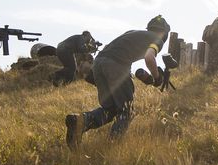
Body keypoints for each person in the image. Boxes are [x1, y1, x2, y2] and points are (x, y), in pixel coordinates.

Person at [65, 15, 170, 148]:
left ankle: (79, 122)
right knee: (127, 111)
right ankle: (112, 146)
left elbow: (111, 48)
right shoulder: (157, 39)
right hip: (116, 65)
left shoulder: (131, 33)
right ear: (164, 33)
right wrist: (157, 78)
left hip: (99, 63)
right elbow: (149, 58)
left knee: (110, 109)